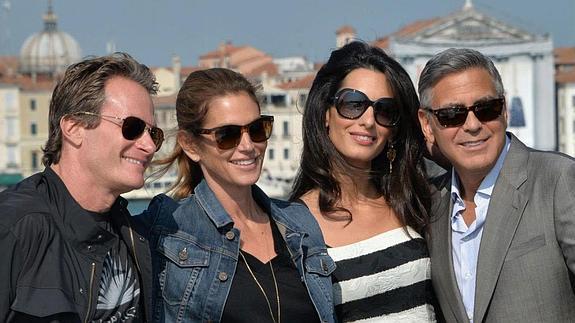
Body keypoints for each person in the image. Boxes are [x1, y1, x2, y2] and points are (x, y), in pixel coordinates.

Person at [140, 68, 336, 322]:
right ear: (190, 145)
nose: (248, 146)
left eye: (256, 129)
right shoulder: (168, 228)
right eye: (227, 135)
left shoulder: (299, 222)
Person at [0, 53, 163, 322]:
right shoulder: (14, 227)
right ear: (74, 128)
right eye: (132, 128)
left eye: (153, 133)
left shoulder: (137, 237)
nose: (148, 145)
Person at [417, 48, 575, 322]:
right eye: (452, 115)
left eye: (486, 109)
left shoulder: (558, 179)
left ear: (504, 110)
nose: (472, 125)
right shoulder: (431, 203)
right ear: (427, 125)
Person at [291, 41, 438, 322]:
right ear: (325, 113)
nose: (368, 120)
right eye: (353, 104)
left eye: (385, 110)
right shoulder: (293, 227)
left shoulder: (416, 199)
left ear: (394, 130)